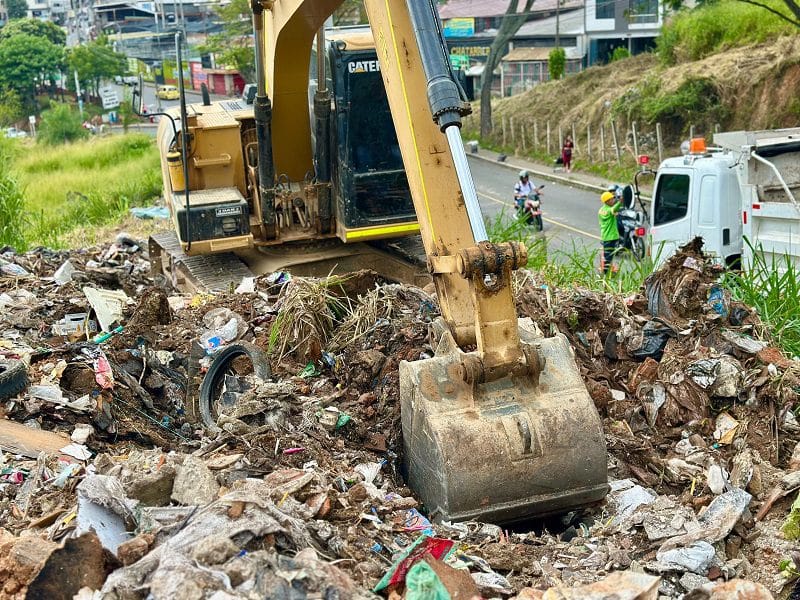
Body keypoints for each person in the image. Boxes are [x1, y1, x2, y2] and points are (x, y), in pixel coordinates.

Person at [599, 190, 622, 274]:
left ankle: (607, 270)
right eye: (612, 199)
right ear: (607, 201)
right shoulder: (609, 210)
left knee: (608, 255)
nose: (613, 200)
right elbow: (614, 209)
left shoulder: (602, 210)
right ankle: (605, 272)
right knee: (609, 256)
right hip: (610, 236)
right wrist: (620, 202)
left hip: (606, 236)